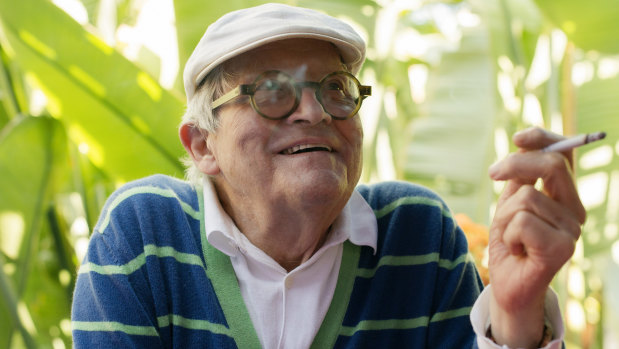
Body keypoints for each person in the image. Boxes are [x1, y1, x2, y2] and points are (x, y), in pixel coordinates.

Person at [71, 3, 585, 348]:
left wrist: (517, 312)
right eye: (272, 91)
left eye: (337, 88)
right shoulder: (142, 235)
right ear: (204, 145)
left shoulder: (418, 235)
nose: (316, 112)